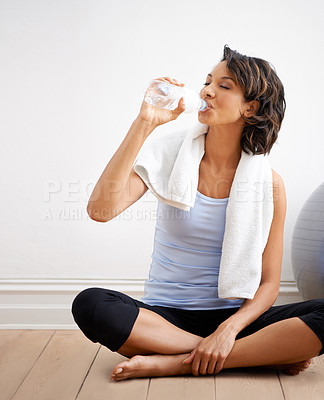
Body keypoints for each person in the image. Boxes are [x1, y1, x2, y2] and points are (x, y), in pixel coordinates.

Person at [72, 45, 324, 382]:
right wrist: (145, 123)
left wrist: (228, 330)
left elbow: (268, 284)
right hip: (164, 319)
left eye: (224, 85)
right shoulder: (170, 157)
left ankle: (175, 363)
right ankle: (249, 356)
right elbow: (100, 210)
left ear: (250, 107)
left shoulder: (269, 184)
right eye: (207, 81)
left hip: (237, 319)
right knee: (90, 304)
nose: (206, 90)